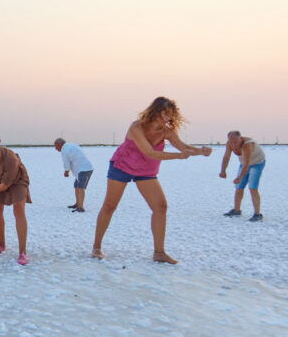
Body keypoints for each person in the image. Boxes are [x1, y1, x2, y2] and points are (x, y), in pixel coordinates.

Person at [91, 97, 212, 264]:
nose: (167, 118)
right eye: (165, 114)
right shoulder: (136, 127)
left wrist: (201, 151)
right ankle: (96, 247)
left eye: (170, 115)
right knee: (110, 206)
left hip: (145, 171)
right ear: (155, 111)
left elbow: (183, 147)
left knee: (160, 206)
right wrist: (178, 156)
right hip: (122, 166)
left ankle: (159, 252)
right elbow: (150, 152)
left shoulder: (166, 132)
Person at [219, 131, 266, 221]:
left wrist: (240, 177)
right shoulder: (229, 144)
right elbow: (226, 157)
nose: (233, 144)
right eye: (231, 141)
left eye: (235, 142)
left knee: (253, 188)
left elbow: (247, 163)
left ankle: (257, 214)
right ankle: (237, 210)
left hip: (257, 163)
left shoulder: (248, 144)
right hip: (244, 163)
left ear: (240, 139)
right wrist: (223, 170)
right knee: (239, 187)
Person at [53, 138, 94, 212]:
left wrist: (66, 172)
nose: (55, 148)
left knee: (81, 187)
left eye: (56, 146)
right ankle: (78, 203)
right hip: (85, 168)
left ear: (60, 144)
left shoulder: (64, 150)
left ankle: (80, 207)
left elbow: (66, 163)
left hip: (84, 169)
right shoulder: (72, 145)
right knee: (76, 186)